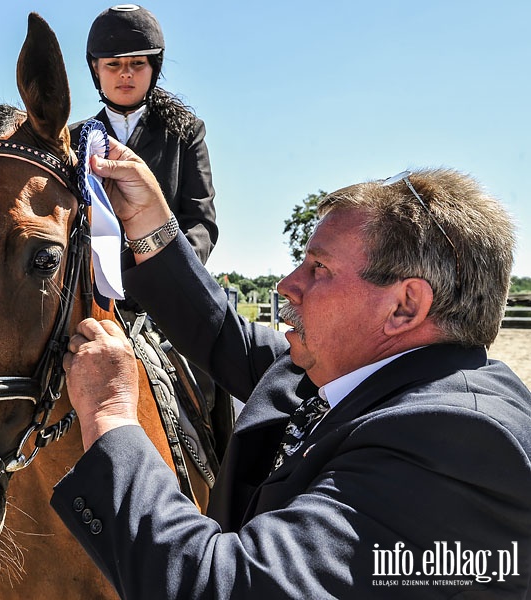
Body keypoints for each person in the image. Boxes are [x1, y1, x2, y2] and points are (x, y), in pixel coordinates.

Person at [52, 139, 531, 597]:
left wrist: (111, 416)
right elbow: (222, 334)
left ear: (405, 306)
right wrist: (149, 223)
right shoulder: (347, 369)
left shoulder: (456, 444)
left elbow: (227, 589)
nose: (285, 285)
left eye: (318, 269)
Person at [70, 4, 218, 266]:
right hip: (86, 286)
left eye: (137, 63)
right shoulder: (73, 137)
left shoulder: (186, 132)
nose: (126, 73)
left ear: (154, 66)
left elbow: (200, 221)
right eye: (113, 64)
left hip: (160, 283)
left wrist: (176, 274)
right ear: (95, 69)